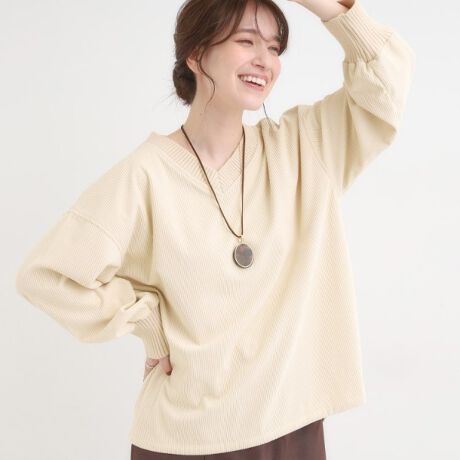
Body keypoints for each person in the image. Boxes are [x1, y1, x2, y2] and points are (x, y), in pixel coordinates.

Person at [15, 0, 415, 458]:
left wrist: (323, 5)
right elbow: (46, 276)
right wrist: (145, 320)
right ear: (196, 53)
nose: (265, 60)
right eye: (246, 41)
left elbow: (388, 76)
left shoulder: (305, 148)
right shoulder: (146, 175)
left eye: (274, 48)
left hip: (290, 428)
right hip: (185, 439)